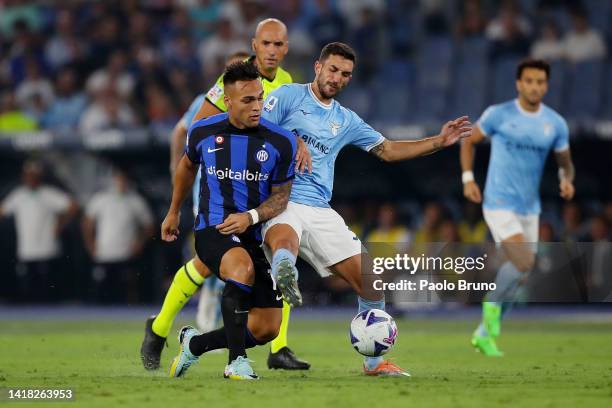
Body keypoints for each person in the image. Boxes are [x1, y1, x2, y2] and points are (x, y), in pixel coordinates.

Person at [261, 42, 471, 376]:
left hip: (319, 206)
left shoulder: (346, 120)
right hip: (281, 195)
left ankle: (373, 363)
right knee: (285, 239)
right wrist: (291, 140)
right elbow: (254, 124)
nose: (338, 78)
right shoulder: (287, 96)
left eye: (345, 74)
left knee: (372, 280)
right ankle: (284, 269)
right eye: (333, 70)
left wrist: (438, 141)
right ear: (317, 67)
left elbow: (387, 150)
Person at [141, 18, 311, 372]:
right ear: (255, 44)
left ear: (287, 48)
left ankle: (274, 344)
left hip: (265, 193)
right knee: (227, 264)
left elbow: (284, 133)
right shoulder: (226, 86)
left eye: (279, 44)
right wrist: (181, 200)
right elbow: (194, 135)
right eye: (266, 43)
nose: (273, 51)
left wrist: (298, 144)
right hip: (223, 191)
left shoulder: (287, 84)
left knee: (281, 256)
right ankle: (166, 331)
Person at [163, 61, 296, 380]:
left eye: (260, 98)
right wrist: (173, 210)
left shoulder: (281, 141)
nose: (256, 106)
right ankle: (236, 363)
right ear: (228, 100)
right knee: (241, 268)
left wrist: (250, 217)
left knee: (266, 328)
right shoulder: (203, 131)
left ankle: (195, 345)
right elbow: (185, 167)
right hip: (213, 229)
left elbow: (281, 197)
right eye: (248, 100)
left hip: (254, 235)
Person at [460, 58, 575, 356]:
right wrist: (468, 178)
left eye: (540, 82)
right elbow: (468, 142)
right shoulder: (499, 115)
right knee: (523, 262)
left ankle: (484, 334)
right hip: (498, 202)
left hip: (529, 208)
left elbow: (566, 163)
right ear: (519, 84)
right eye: (529, 81)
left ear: (546, 86)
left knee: (521, 274)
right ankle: (490, 309)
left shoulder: (555, 124)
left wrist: (566, 179)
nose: (535, 87)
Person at [0, 159, 78, 301]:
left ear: (39, 177)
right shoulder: (19, 195)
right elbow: (3, 210)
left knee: (46, 290)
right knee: (28, 289)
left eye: (34, 175)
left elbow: (72, 206)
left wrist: (60, 225)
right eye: (28, 175)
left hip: (47, 248)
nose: (30, 178)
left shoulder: (48, 194)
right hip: (27, 249)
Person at [82, 168, 154, 303]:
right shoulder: (101, 198)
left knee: (126, 291)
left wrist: (139, 244)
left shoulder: (135, 200)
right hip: (103, 253)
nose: (121, 182)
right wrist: (90, 244)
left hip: (126, 254)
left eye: (123, 179)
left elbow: (149, 226)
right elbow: (87, 222)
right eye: (118, 179)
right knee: (101, 291)